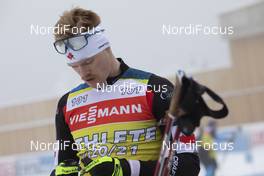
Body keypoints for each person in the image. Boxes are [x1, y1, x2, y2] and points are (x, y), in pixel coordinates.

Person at [50, 7, 200, 176]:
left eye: (88, 62)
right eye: (75, 67)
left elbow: (188, 166)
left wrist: (128, 169)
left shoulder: (156, 89)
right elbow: (63, 164)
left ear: (105, 47)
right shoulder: (67, 104)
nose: (83, 73)